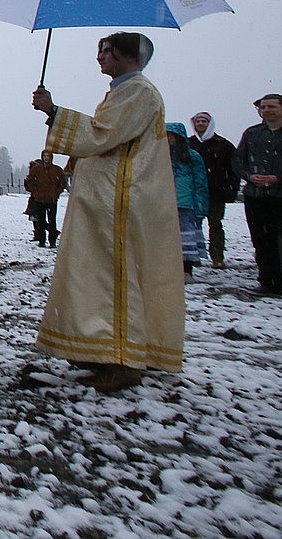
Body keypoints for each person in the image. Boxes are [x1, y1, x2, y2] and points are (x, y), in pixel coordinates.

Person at [30, 32, 184, 393]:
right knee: (102, 275)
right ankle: (101, 348)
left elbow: (101, 136)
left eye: (106, 51)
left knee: (117, 278)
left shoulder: (139, 92)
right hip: (108, 201)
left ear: (127, 56)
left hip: (121, 201)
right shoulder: (122, 91)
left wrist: (53, 111)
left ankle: (122, 359)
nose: (99, 57)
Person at [232, 93, 282, 297]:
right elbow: (238, 160)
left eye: (271, 107)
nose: (266, 110)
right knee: (263, 242)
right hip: (256, 197)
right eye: (263, 107)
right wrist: (249, 176)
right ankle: (270, 284)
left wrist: (280, 178)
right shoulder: (252, 134)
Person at [188, 112, 240, 268]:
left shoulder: (223, 144)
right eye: (198, 121)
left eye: (204, 121)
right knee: (191, 226)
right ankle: (192, 256)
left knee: (215, 224)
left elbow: (233, 169)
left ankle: (217, 257)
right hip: (193, 192)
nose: (201, 124)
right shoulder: (188, 144)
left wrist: (231, 189)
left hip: (216, 192)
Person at [166, 122, 209, 280]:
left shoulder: (192, 156)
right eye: (166, 135)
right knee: (166, 237)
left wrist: (200, 205)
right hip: (163, 202)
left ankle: (186, 269)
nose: (169, 139)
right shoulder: (158, 156)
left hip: (185, 203)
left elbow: (200, 182)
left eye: (172, 135)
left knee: (185, 237)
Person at [24, 150, 66, 248]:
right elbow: (29, 180)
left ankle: (52, 242)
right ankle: (42, 241)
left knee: (52, 221)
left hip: (52, 200)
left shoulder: (57, 170)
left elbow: (63, 182)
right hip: (40, 199)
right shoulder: (37, 169)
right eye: (44, 156)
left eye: (48, 156)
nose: (46, 158)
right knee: (41, 221)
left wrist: (56, 192)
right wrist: (35, 191)